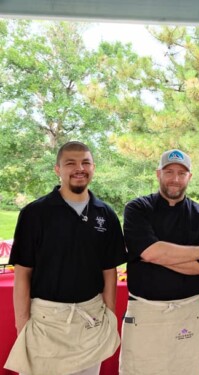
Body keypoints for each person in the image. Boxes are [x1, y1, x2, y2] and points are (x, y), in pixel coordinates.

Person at [5, 141, 127, 375]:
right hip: (45, 322)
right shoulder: (35, 213)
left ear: (93, 167)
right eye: (70, 163)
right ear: (57, 169)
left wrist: (110, 319)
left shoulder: (106, 214)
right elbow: (22, 274)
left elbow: (109, 273)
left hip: (90, 321)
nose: (79, 168)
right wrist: (23, 326)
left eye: (85, 163)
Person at [119, 149, 199, 375]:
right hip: (146, 312)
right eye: (169, 172)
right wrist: (196, 252)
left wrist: (155, 255)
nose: (175, 179)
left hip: (190, 312)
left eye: (181, 173)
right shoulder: (137, 208)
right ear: (158, 174)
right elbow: (151, 252)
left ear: (189, 177)